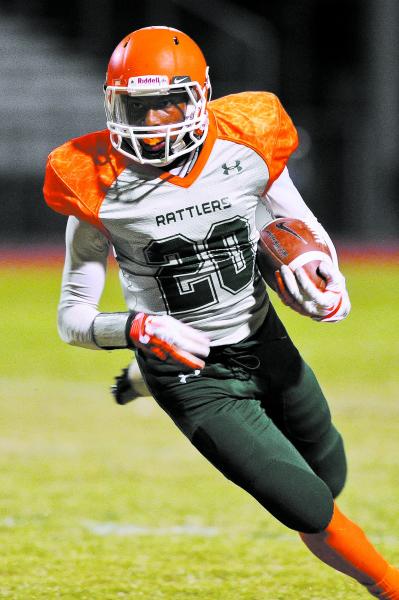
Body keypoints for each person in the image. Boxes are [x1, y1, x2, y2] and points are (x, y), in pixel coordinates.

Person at [43, 26, 399, 598]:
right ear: (113, 103)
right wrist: (135, 328)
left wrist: (325, 279)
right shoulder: (92, 182)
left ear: (201, 94)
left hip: (260, 337)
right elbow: (72, 317)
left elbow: (300, 228)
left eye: (169, 104)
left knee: (329, 476)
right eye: (139, 106)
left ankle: (143, 379)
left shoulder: (249, 139)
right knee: (309, 508)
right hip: (187, 369)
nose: (154, 122)